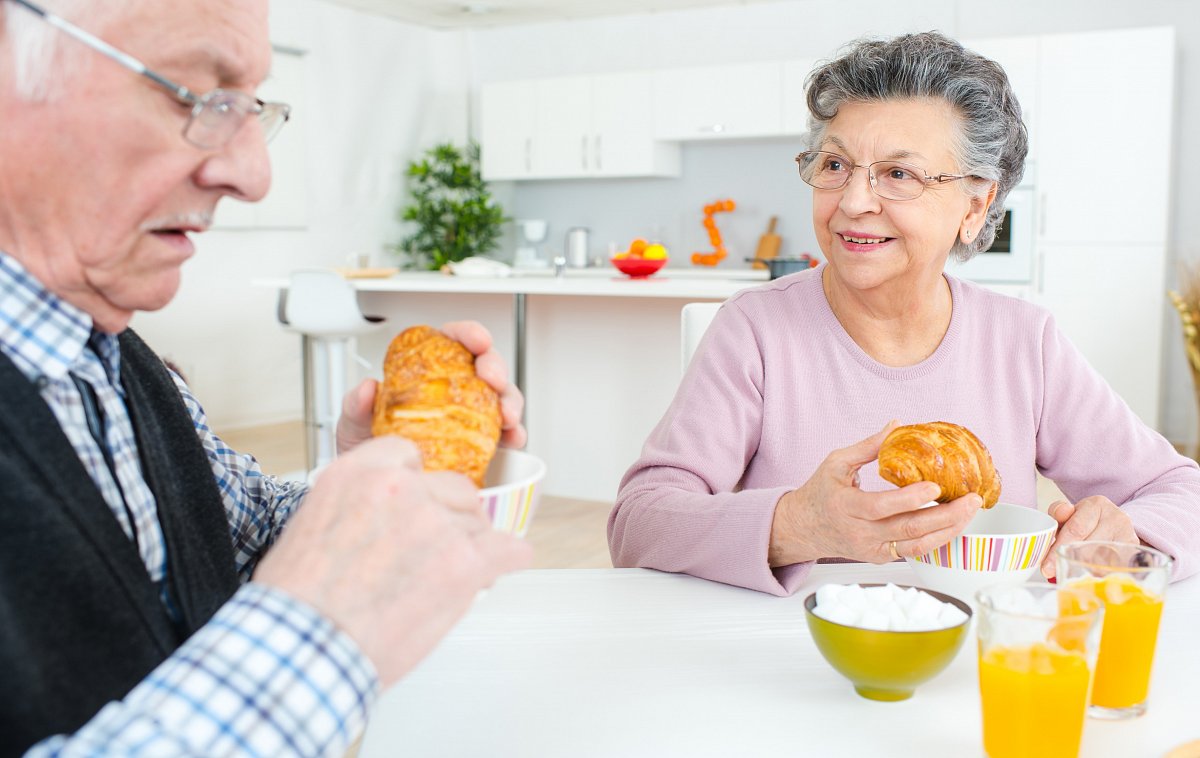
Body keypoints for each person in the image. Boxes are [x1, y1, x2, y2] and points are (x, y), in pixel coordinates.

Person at [0, 0, 530, 754]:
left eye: (250, 107)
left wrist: (381, 475)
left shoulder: (122, 363)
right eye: (195, 93)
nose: (254, 174)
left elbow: (240, 537)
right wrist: (314, 637)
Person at [609, 31, 1200, 596]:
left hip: (974, 667)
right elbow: (639, 523)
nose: (854, 202)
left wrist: (1127, 536)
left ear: (976, 204)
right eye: (834, 165)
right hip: (793, 663)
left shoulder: (1024, 342)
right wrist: (794, 525)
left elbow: (1178, 490)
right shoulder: (756, 330)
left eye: (899, 174)